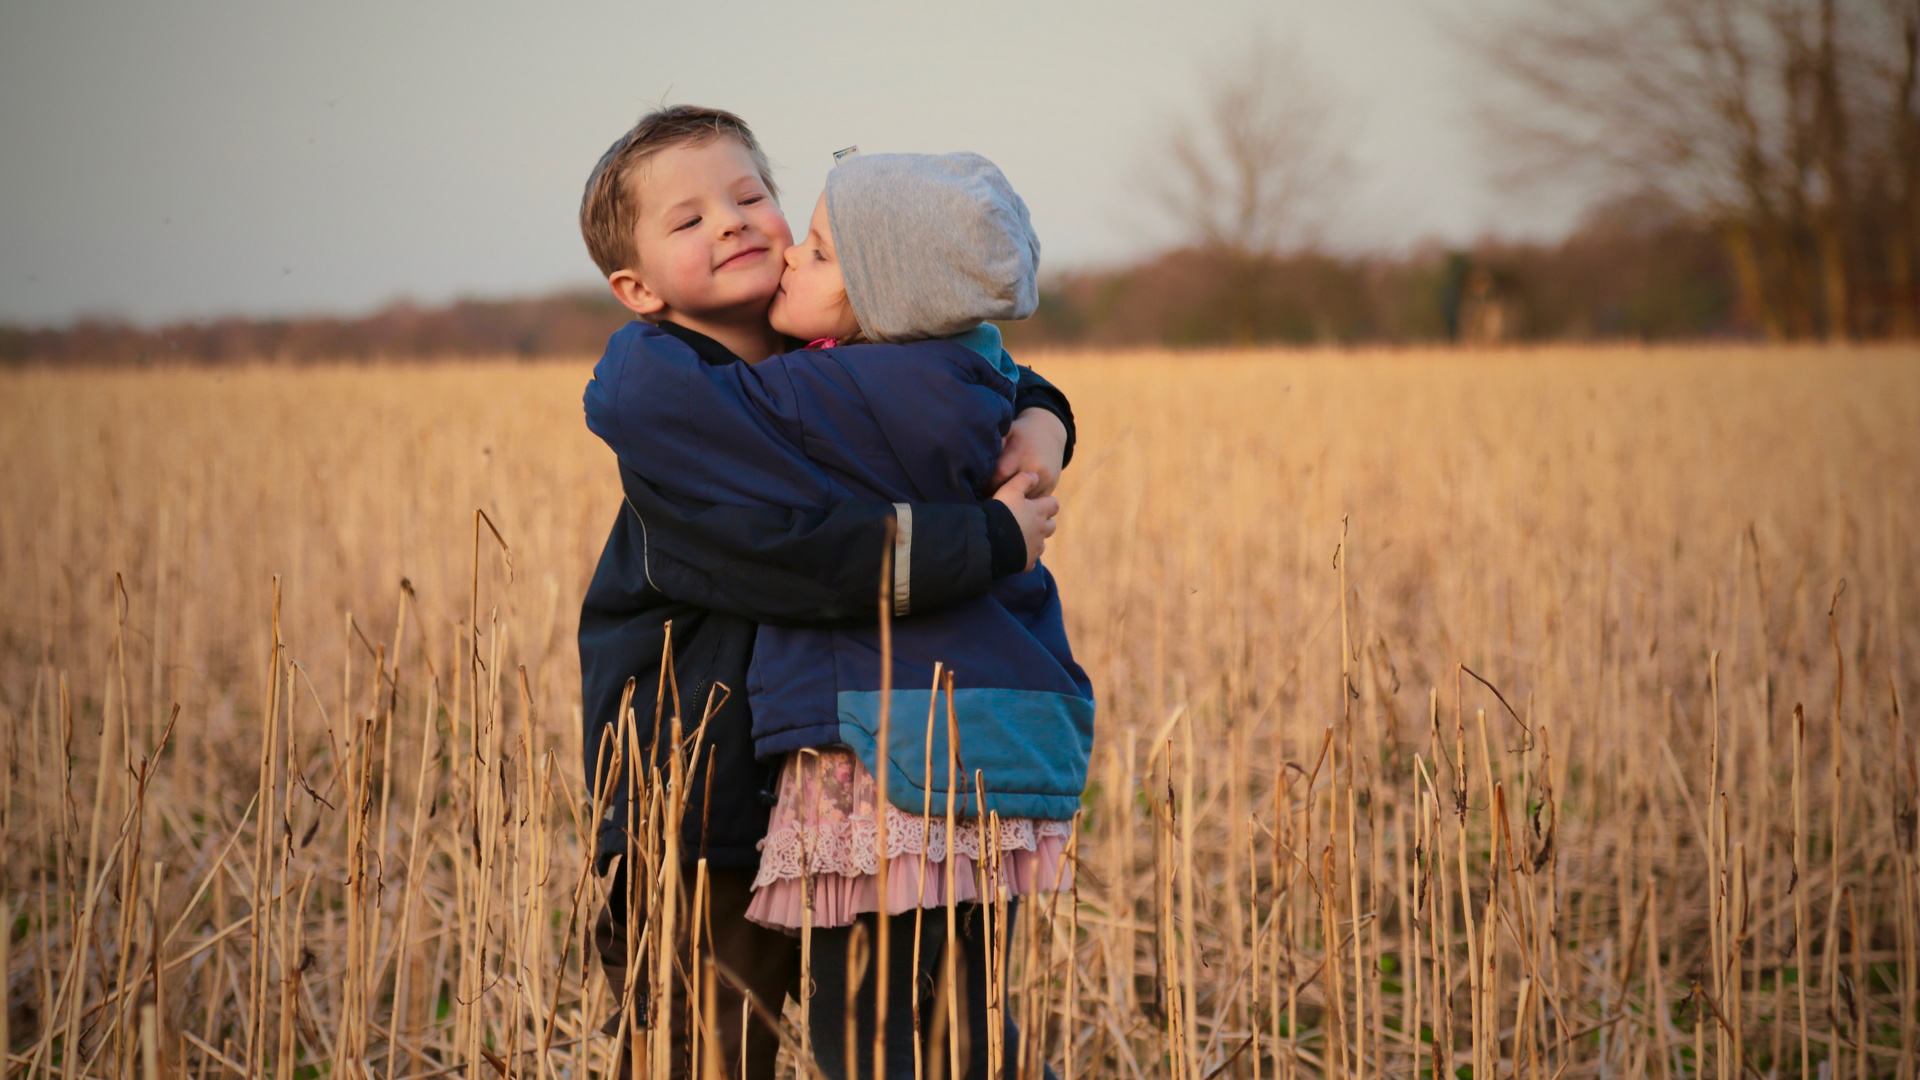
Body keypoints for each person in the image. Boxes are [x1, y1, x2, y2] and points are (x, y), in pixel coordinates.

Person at [575, 105, 1078, 1080]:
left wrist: (1044, 418)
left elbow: (968, 361)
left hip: (852, 767)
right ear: (635, 288)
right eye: (688, 221)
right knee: (698, 1047)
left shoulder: (835, 349)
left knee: (927, 1033)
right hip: (700, 787)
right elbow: (803, 561)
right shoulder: (673, 405)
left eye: (750, 195)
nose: (731, 222)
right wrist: (990, 538)